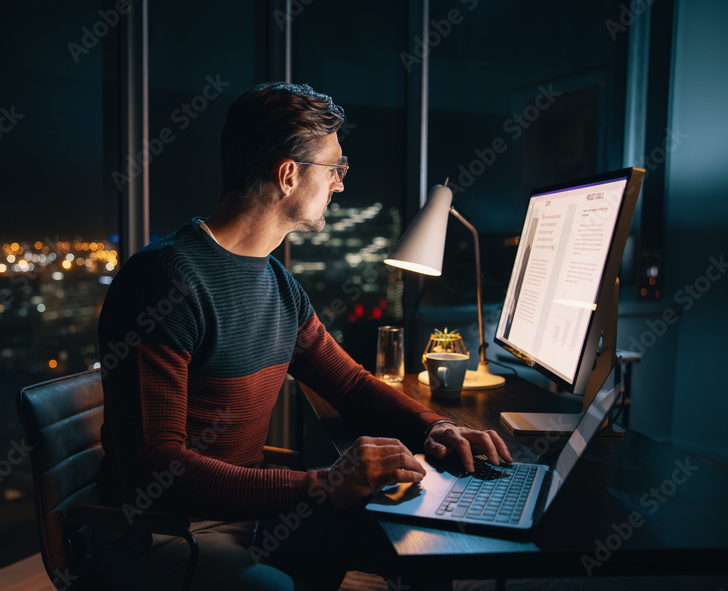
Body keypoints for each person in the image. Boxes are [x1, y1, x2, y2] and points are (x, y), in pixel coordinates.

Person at [93, 82, 512, 590]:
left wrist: (433, 427)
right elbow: (154, 468)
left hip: (252, 516)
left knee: (427, 540)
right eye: (334, 168)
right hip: (162, 530)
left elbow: (350, 385)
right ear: (288, 174)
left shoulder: (275, 283)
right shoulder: (164, 281)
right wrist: (323, 485)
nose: (339, 183)